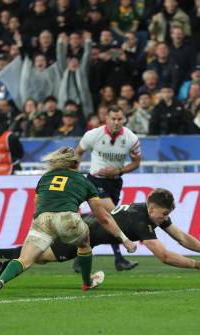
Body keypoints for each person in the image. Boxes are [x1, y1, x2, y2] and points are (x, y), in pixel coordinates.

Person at [0, 147, 137, 297]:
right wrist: (124, 239)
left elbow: (37, 202)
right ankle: (87, 283)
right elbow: (104, 217)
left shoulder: (45, 178)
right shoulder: (84, 180)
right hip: (67, 219)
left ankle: (0, 281)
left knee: (25, 259)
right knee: (85, 242)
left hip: (42, 219)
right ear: (74, 163)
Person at [0, 188, 200, 283]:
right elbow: (165, 256)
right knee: (40, 256)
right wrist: (199, 266)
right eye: (163, 214)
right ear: (152, 208)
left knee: (39, 256)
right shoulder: (141, 221)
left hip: (84, 226)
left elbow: (180, 236)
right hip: (79, 233)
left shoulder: (146, 210)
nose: (164, 218)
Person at [76, 106, 142, 271]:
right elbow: (77, 153)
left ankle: (80, 256)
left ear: (124, 120)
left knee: (102, 222)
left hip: (115, 183)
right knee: (114, 217)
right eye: (113, 119)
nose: (116, 122)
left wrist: (118, 170)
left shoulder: (131, 138)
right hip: (94, 182)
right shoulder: (93, 135)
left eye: (120, 119)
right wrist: (74, 175)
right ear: (106, 119)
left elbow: (136, 163)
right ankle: (119, 258)